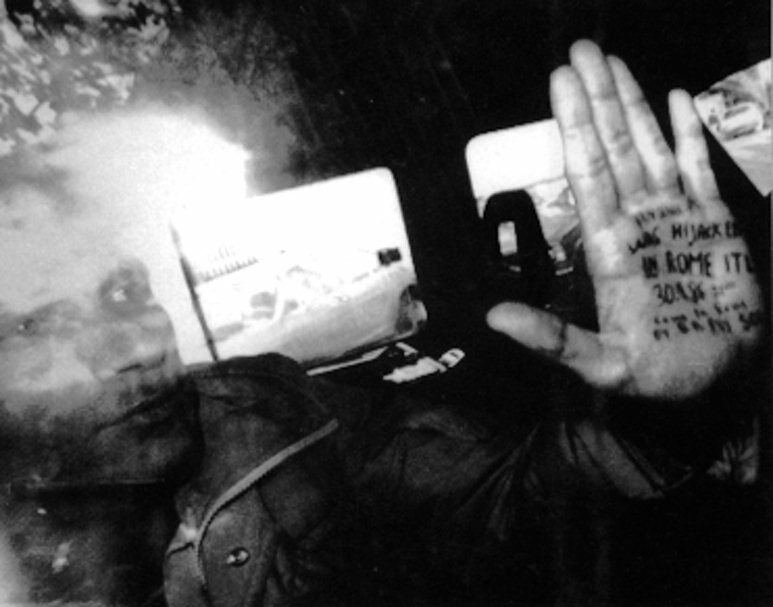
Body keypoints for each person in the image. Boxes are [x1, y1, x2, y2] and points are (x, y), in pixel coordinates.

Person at [0, 40, 763, 606]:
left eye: (127, 292)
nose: (140, 340)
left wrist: (675, 414)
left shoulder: (260, 407)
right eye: (42, 326)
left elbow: (508, 492)